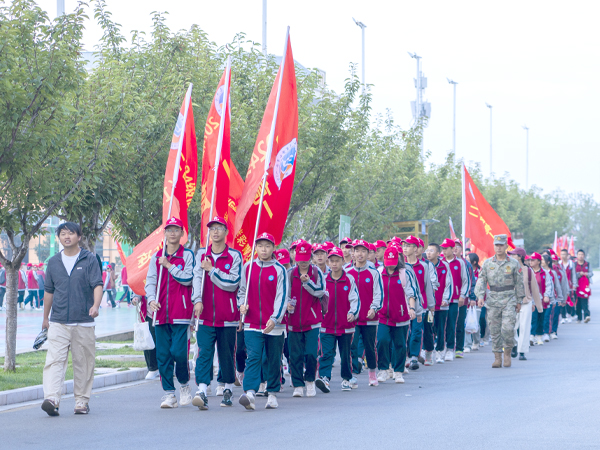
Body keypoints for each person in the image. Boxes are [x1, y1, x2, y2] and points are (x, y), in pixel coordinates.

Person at [40, 222, 103, 416]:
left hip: (83, 320)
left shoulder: (89, 259)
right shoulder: (53, 262)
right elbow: (49, 291)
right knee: (54, 360)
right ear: (59, 237)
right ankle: (52, 398)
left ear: (79, 237)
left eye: (71, 233)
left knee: (83, 362)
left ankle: (81, 402)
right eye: (63, 234)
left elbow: (97, 284)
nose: (66, 237)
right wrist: (45, 318)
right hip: (58, 320)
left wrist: (96, 306)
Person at [191, 216, 243, 410]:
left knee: (227, 354)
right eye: (212, 228)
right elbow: (197, 277)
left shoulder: (234, 256)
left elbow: (232, 283)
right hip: (205, 316)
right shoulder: (202, 254)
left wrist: (212, 271)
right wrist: (197, 299)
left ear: (226, 232)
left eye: (219, 228)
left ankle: (228, 387)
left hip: (228, 317)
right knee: (204, 353)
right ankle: (202, 390)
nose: (215, 232)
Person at [146, 217, 195, 409]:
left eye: (176, 230)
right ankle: (169, 394)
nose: (172, 233)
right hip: (160, 314)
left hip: (181, 312)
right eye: (169, 230)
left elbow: (189, 278)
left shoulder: (187, 256)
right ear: (164, 233)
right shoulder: (156, 257)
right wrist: (151, 299)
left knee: (179, 352)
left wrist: (169, 266)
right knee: (163, 354)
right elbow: (150, 281)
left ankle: (184, 385)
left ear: (182, 233)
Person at [237, 232, 288, 411]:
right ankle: (250, 393)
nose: (264, 249)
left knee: (273, 359)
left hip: (274, 324)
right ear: (255, 248)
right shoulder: (248, 267)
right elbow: (242, 291)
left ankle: (272, 393)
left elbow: (282, 297)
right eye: (260, 245)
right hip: (252, 323)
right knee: (254, 357)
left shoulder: (280, 269)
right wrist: (241, 305)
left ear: (273, 248)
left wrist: (275, 318)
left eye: (267, 245)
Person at [474, 234, 525, 368]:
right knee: (495, 330)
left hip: (509, 298)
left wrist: (519, 300)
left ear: (506, 246)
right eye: (496, 245)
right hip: (493, 299)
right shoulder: (487, 263)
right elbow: (481, 280)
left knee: (508, 329)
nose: (499, 248)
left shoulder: (513, 263)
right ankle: (497, 357)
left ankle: (507, 352)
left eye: (501, 245)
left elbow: (519, 283)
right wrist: (480, 296)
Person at [316, 247, 359, 392]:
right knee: (326, 353)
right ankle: (324, 378)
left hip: (346, 324)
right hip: (326, 324)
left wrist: (353, 312)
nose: (334, 264)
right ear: (328, 262)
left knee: (345, 354)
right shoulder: (323, 279)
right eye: (332, 261)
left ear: (342, 261)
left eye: (337, 261)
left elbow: (355, 299)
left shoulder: (349, 279)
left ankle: (347, 378)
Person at [286, 241, 326, 398]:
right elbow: (285, 294)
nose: (302, 262)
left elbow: (320, 292)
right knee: (294, 355)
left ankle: (310, 380)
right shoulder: (290, 273)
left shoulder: (316, 273)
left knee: (311, 353)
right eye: (299, 258)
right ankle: (297, 384)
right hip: (293, 321)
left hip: (312, 320)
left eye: (305, 258)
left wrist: (307, 282)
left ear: (311, 257)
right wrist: (288, 304)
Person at [376, 246, 418, 384]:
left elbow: (411, 293)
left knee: (400, 344)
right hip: (383, 315)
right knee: (382, 341)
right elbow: (375, 293)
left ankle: (398, 371)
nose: (390, 265)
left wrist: (412, 308)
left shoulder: (404, 274)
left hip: (401, 315)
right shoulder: (379, 272)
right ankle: (383, 369)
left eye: (393, 262)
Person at [346, 239, 383, 387]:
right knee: (351, 346)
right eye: (357, 251)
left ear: (368, 253)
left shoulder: (374, 272)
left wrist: (374, 308)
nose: (360, 254)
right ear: (352, 253)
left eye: (363, 251)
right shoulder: (347, 272)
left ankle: (372, 373)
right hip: (352, 318)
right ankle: (352, 375)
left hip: (370, 317)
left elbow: (378, 294)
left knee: (369, 346)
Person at [403, 235, 435, 369]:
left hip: (419, 306)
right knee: (404, 333)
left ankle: (414, 357)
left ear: (416, 249)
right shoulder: (401, 266)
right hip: (403, 305)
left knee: (417, 331)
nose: (405, 248)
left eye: (408, 246)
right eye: (403, 246)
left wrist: (431, 305)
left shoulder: (423, 266)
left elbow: (428, 286)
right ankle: (404, 357)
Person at [508, 248, 542, 360]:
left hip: (525, 302)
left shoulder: (528, 270)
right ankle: (514, 344)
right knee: (511, 327)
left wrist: (538, 305)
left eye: (514, 255)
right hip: (512, 302)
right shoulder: (509, 269)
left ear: (520, 257)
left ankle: (522, 351)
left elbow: (534, 289)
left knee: (524, 327)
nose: (512, 257)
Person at [440, 239, 469, 361]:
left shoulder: (460, 263)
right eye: (443, 248)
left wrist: (463, 295)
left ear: (453, 249)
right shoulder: (440, 263)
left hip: (455, 299)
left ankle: (453, 348)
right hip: (442, 300)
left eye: (446, 248)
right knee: (442, 325)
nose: (444, 251)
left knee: (454, 323)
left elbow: (466, 280)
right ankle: (442, 348)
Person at [426, 243, 452, 363]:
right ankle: (430, 351)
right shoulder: (425, 265)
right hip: (430, 306)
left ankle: (440, 350)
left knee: (441, 328)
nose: (429, 253)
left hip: (441, 305)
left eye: (432, 250)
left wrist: (446, 299)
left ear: (438, 253)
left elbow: (448, 283)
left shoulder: (444, 266)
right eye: (427, 250)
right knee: (430, 327)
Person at [453, 239, 475, 357]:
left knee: (460, 323)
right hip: (448, 299)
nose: (455, 248)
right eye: (453, 246)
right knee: (449, 324)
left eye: (458, 246)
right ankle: (449, 346)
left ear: (462, 249)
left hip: (463, 299)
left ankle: (459, 348)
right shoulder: (445, 262)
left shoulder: (466, 263)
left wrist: (472, 297)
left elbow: (471, 281)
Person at [131, 294, 160, 380]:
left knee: (164, 341)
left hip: (164, 311)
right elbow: (138, 288)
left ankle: (167, 366)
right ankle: (153, 368)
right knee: (148, 339)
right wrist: (135, 298)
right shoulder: (143, 280)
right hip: (148, 314)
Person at [529, 253, 552, 346]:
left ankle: (539, 336)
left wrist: (547, 295)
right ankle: (531, 336)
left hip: (542, 300)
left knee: (540, 318)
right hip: (531, 300)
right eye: (530, 260)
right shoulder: (528, 272)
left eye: (533, 260)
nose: (531, 262)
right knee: (533, 318)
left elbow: (549, 285)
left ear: (538, 261)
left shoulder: (544, 272)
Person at [541, 254, 563, 342]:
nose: (541, 261)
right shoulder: (538, 272)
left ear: (548, 262)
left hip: (551, 299)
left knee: (549, 316)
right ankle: (541, 333)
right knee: (541, 317)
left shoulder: (552, 273)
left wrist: (560, 299)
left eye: (543, 260)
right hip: (539, 299)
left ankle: (549, 332)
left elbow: (557, 286)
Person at [559, 248, 577, 323]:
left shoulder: (571, 263)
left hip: (570, 285)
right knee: (563, 301)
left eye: (564, 254)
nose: (563, 256)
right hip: (561, 286)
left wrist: (574, 284)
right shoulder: (559, 263)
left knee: (569, 301)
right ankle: (563, 317)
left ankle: (569, 314)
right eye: (561, 254)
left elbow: (574, 275)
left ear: (567, 255)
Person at [575, 249, 592, 323]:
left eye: (582, 254)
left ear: (584, 255)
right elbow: (573, 275)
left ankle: (586, 316)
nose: (581, 256)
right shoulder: (574, 264)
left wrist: (586, 274)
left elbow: (591, 273)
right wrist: (579, 274)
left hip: (585, 286)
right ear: (577, 256)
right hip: (577, 286)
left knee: (585, 300)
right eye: (579, 254)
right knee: (578, 301)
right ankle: (579, 317)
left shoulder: (587, 264)